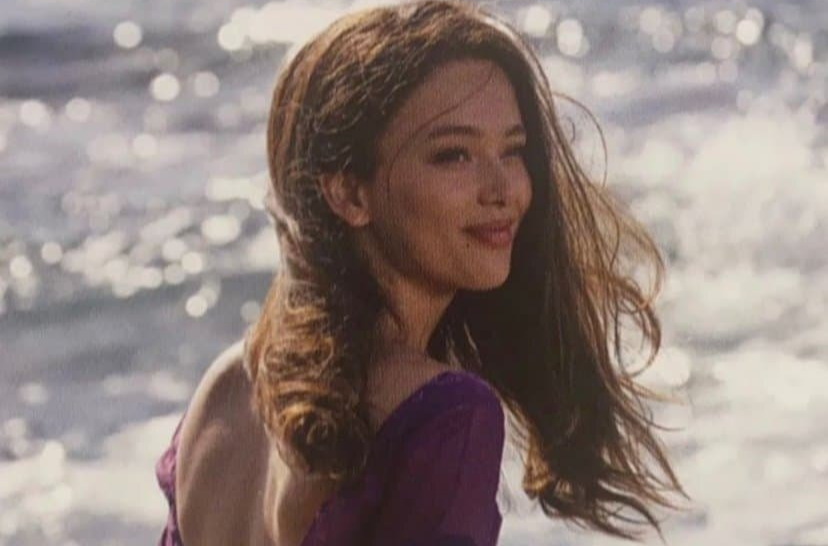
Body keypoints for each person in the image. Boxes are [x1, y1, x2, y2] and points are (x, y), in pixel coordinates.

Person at [155, 0, 690, 544]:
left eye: (513, 151)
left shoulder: (227, 386)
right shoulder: (442, 415)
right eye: (454, 155)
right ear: (349, 193)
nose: (503, 190)